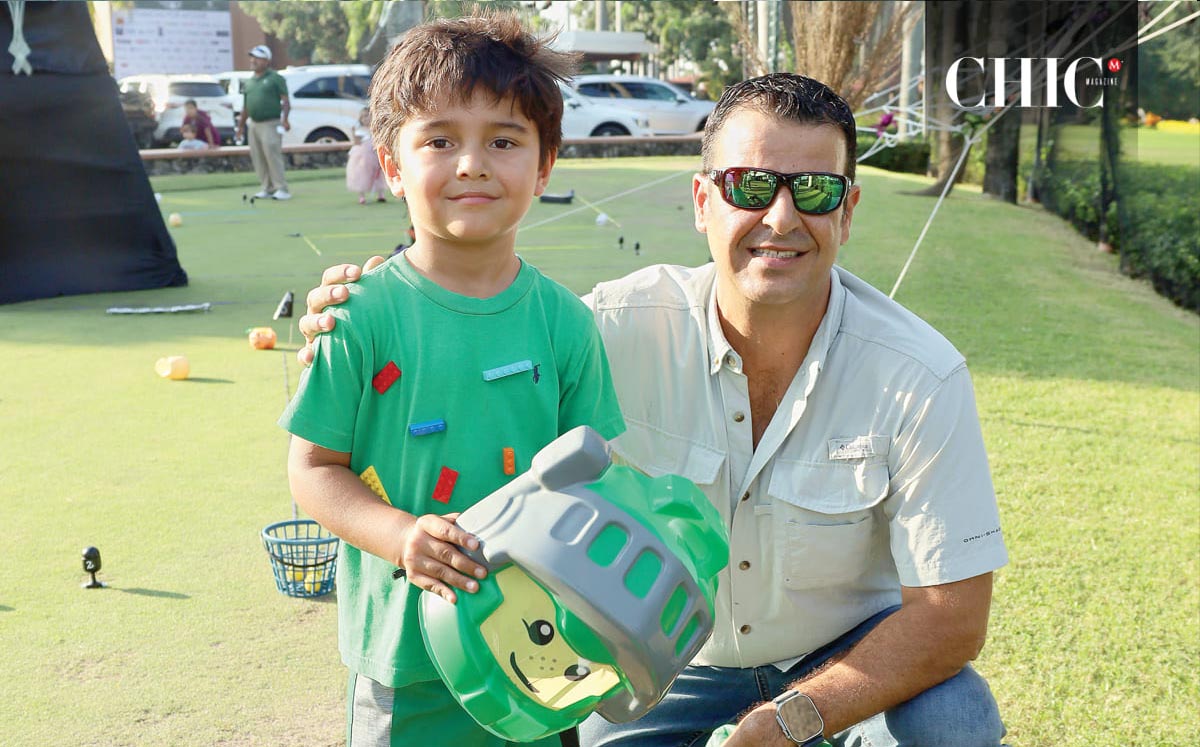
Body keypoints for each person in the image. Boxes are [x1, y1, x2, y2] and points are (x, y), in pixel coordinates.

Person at [298, 73, 1008, 747]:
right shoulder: (604, 324)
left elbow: (951, 620)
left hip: (838, 655)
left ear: (847, 210)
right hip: (664, 662)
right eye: (750, 185)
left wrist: (794, 715)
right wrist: (363, 312)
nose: (781, 216)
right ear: (702, 200)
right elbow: (478, 334)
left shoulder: (921, 373)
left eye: (815, 191)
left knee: (953, 719)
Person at [278, 13, 624, 747]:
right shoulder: (358, 315)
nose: (471, 164)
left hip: (540, 653)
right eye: (439, 140)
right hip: (406, 665)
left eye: (504, 140)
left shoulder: (566, 323)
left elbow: (598, 477)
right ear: (392, 165)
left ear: (545, 164)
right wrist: (401, 534)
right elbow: (313, 468)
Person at [235, 44, 291, 200]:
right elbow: (245, 107)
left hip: (271, 123)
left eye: (257, 58)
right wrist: (240, 127)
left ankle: (282, 188)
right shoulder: (249, 82)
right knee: (258, 156)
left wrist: (285, 119)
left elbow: (285, 101)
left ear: (266, 60)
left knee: (272, 155)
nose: (253, 61)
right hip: (253, 124)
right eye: (252, 57)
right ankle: (267, 187)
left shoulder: (275, 78)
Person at [346, 107, 388, 204]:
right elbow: (356, 143)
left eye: (368, 116)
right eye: (364, 117)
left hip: (375, 153)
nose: (366, 118)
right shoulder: (359, 130)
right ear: (360, 119)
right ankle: (361, 195)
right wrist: (353, 134)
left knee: (378, 174)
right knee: (362, 174)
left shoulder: (377, 129)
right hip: (363, 155)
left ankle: (380, 194)